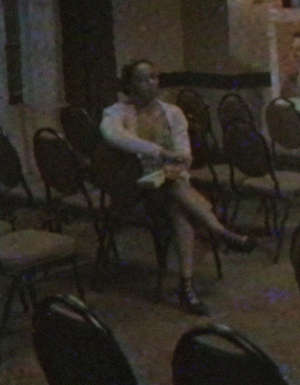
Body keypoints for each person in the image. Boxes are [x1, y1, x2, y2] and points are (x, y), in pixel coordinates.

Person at [100, 59, 255, 316]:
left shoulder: (173, 113)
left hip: (169, 186)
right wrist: (159, 152)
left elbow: (185, 155)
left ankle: (187, 286)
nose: (150, 83)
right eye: (142, 79)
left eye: (153, 77)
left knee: (177, 207)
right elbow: (113, 136)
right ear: (129, 84)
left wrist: (178, 166)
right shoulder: (116, 112)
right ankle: (219, 230)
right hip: (135, 189)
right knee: (176, 195)